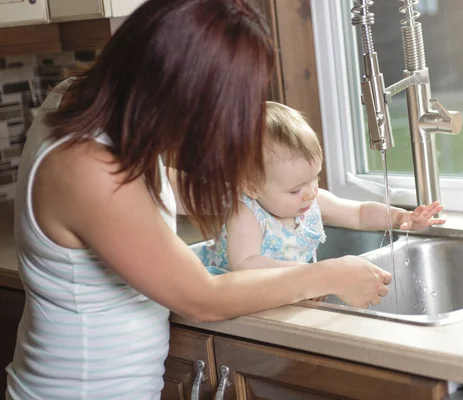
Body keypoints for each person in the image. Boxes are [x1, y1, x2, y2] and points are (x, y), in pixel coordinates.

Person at [5, 1, 394, 399]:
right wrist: (327, 275)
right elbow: (201, 299)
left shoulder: (80, 103)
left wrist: (260, 190)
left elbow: (151, 189)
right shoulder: (88, 168)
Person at [196, 101, 446, 277]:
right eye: (295, 190)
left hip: (285, 290)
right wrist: (315, 274)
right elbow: (245, 265)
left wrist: (399, 217)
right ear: (252, 187)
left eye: (314, 178)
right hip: (234, 299)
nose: (310, 192)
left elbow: (359, 213)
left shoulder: (311, 202)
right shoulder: (246, 214)